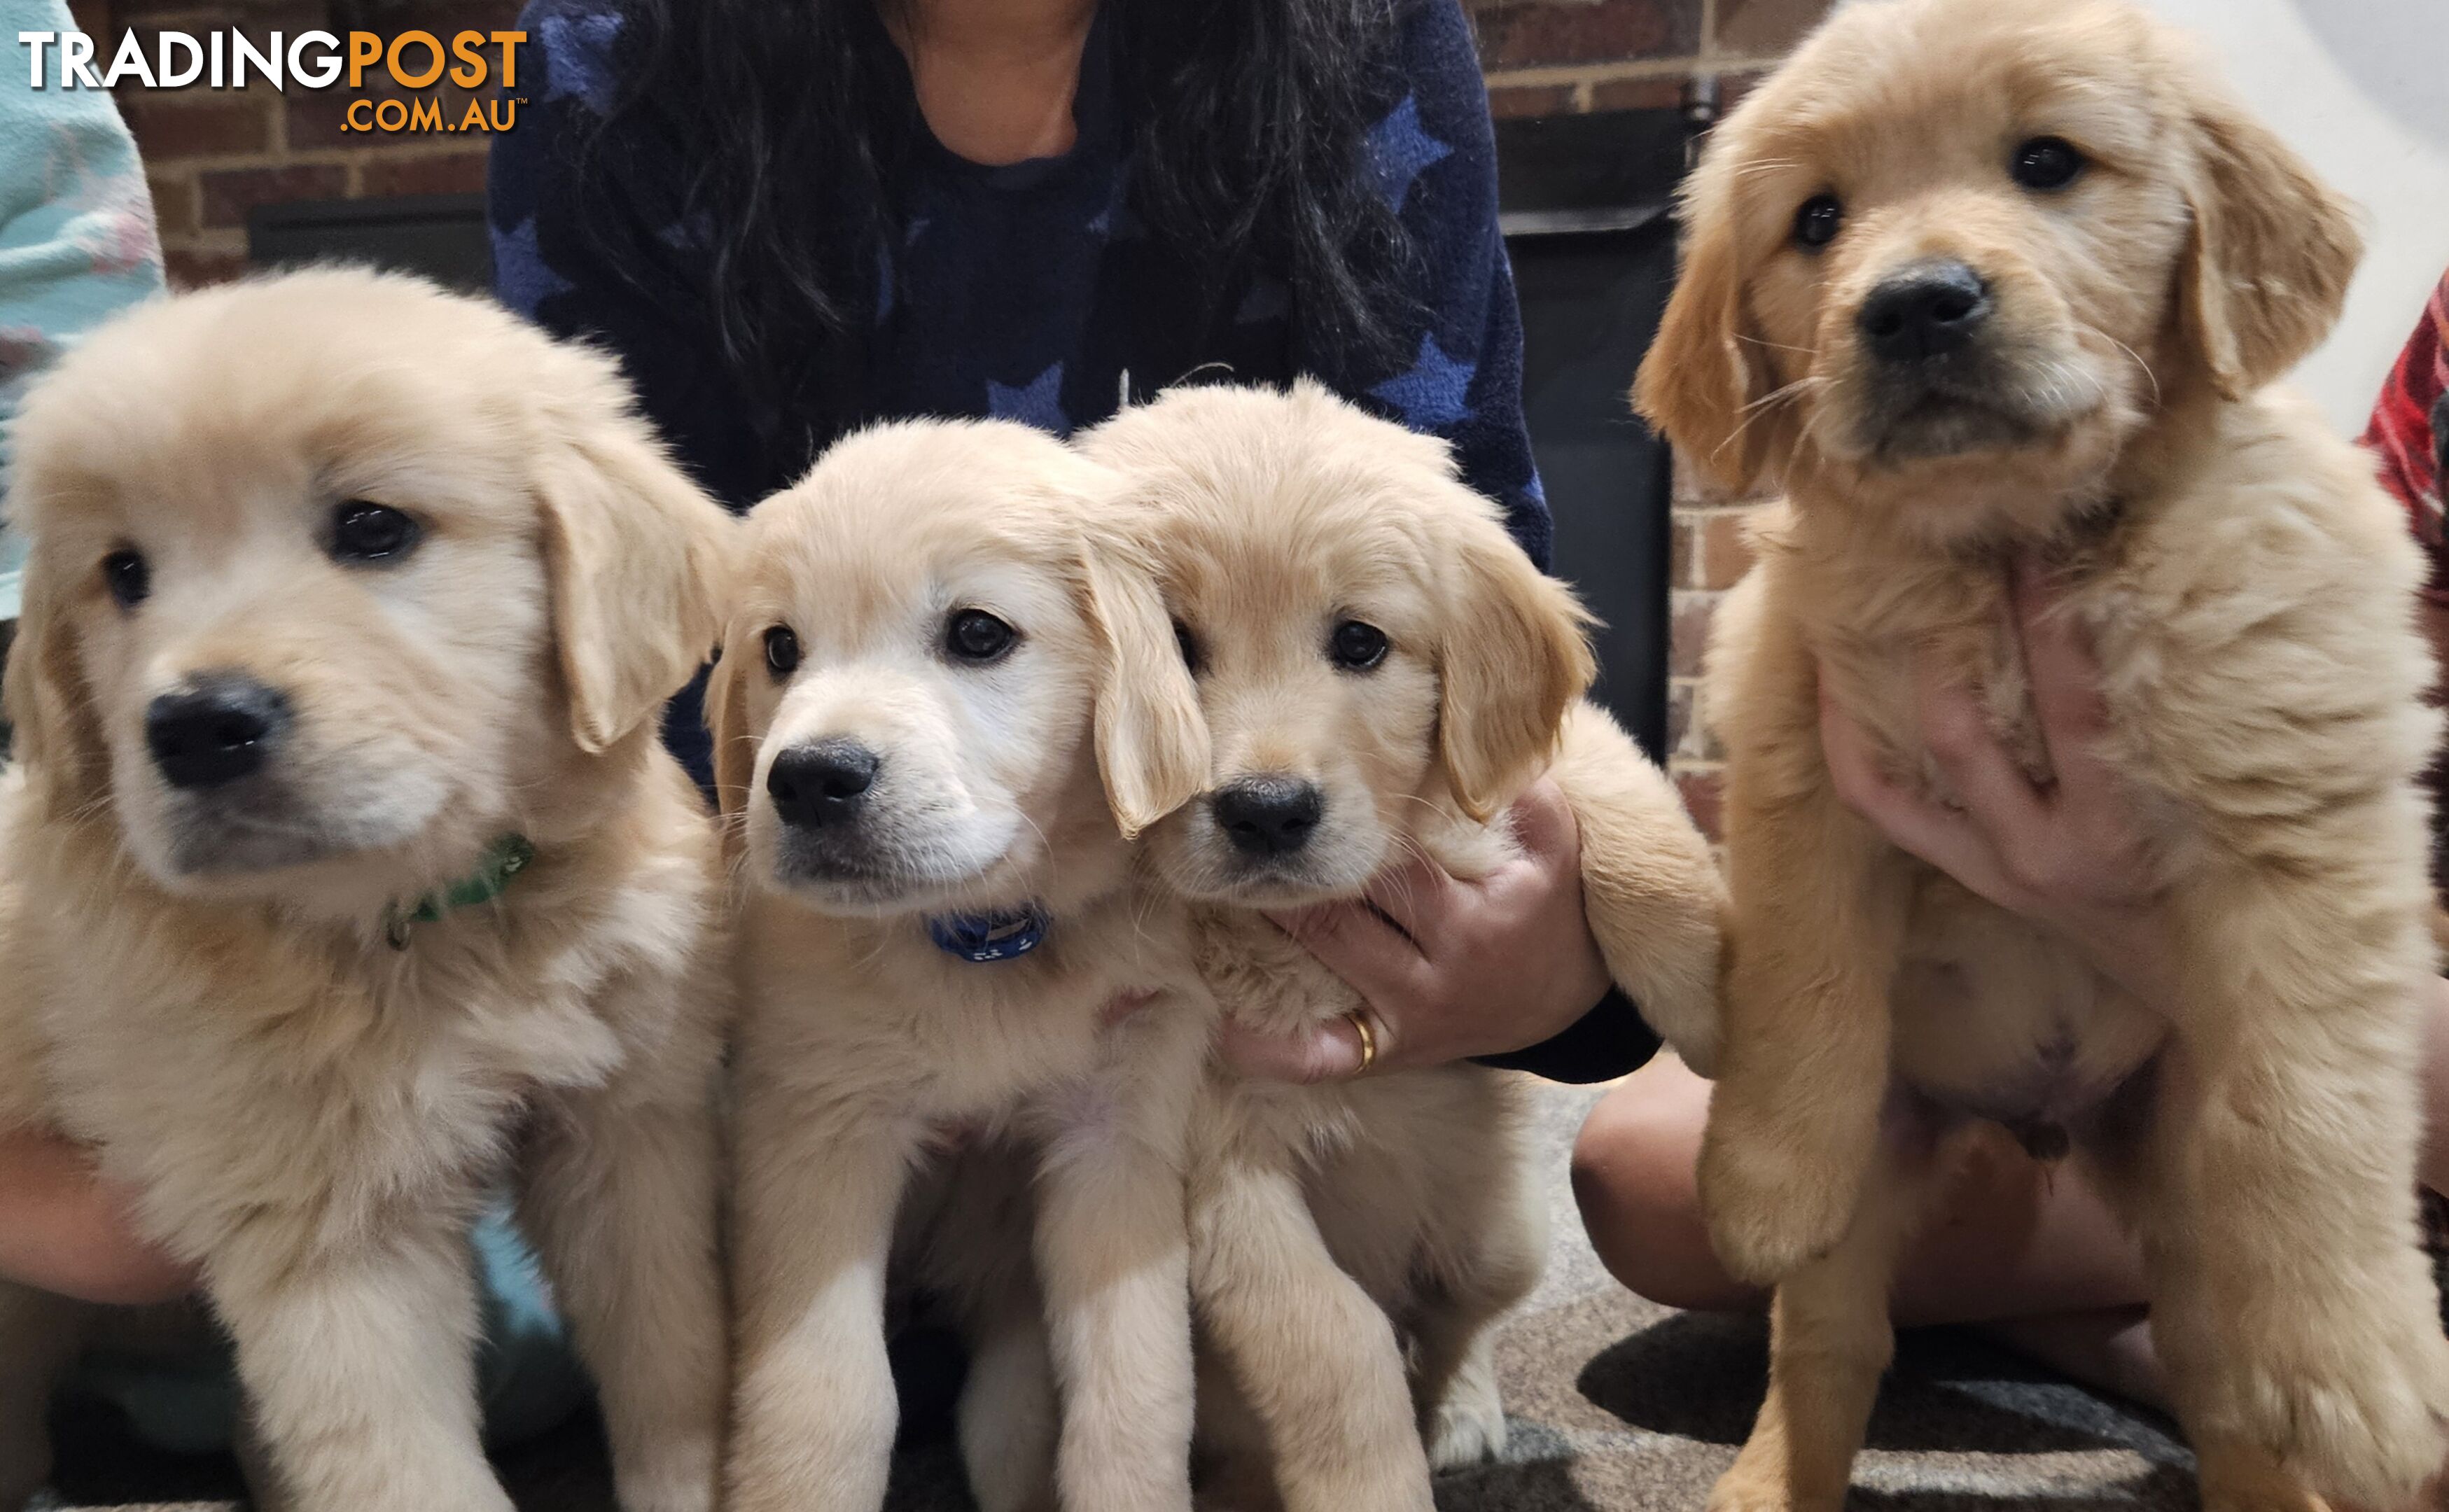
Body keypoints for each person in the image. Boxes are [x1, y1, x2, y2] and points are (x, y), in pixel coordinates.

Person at [487, 0, 1658, 1086]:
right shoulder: (611, 67)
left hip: (1223, 994)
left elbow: (1459, 592)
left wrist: (1551, 985)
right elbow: (627, 666)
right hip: (803, 1012)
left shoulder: (1360, 30)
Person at [1573, 264, 2449, 1411]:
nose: (1915, 283)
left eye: (2044, 163)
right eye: (1823, 219)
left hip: (2310, 1014)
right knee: (1645, 1171)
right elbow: (2403, 703)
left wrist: (2152, 913)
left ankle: (2206, 1343)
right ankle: (2179, 1336)